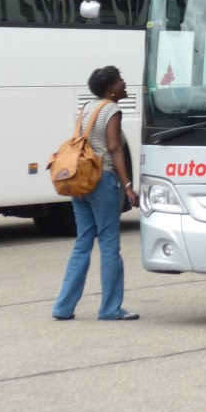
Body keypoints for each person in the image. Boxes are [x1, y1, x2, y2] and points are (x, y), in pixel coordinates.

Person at [52, 65, 140, 321]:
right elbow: (114, 148)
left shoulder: (86, 109)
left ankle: (63, 307)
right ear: (110, 88)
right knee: (110, 244)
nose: (124, 84)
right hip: (103, 181)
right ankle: (110, 308)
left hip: (81, 182)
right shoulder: (112, 109)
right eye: (120, 81)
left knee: (82, 243)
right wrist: (128, 186)